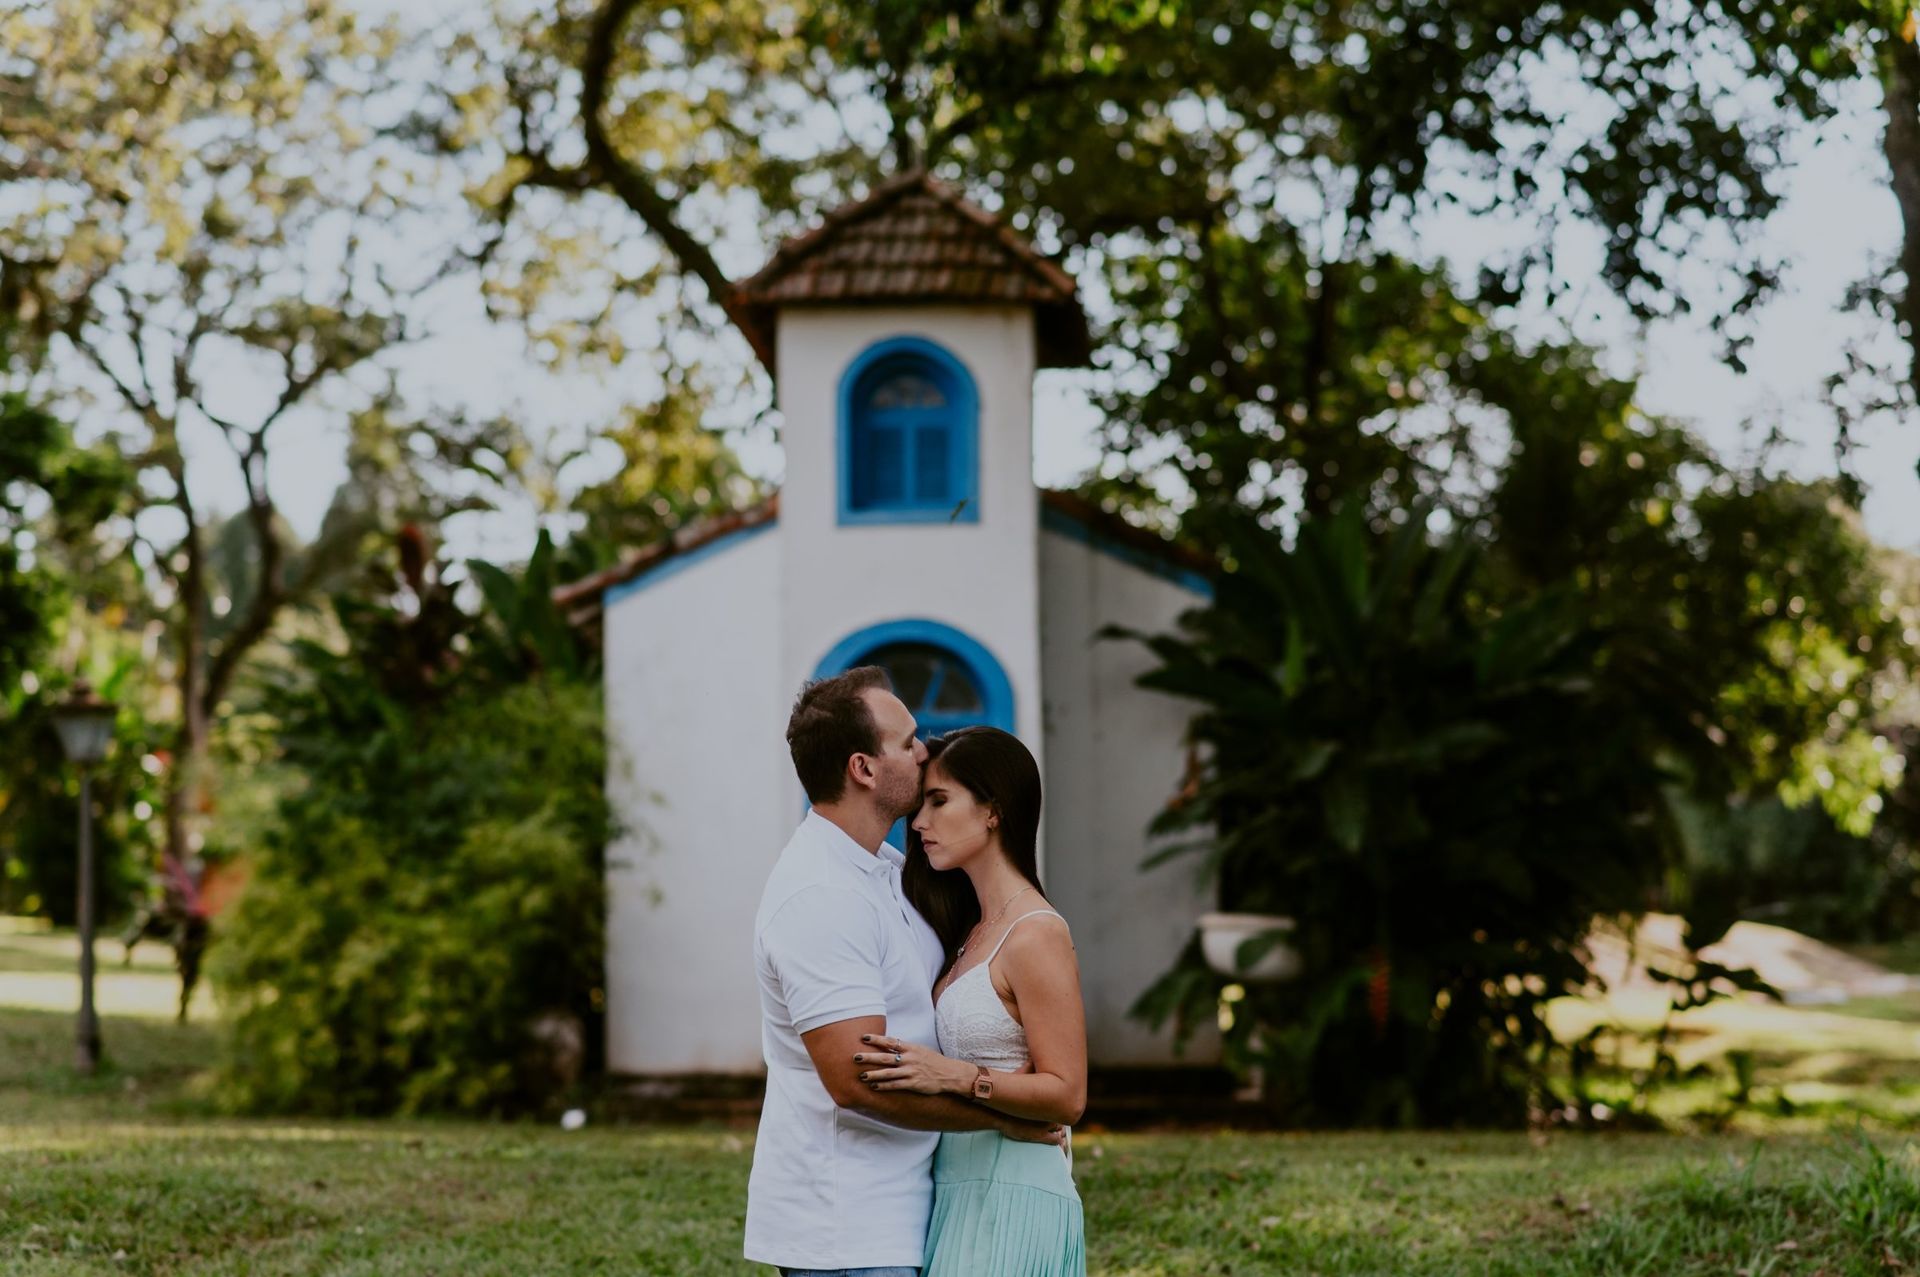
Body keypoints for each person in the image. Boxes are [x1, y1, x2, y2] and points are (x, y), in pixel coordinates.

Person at [747, 669, 1065, 1277]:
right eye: (909, 741)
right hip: (847, 1234)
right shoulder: (819, 894)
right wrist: (1005, 1117)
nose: (926, 753)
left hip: (917, 1214)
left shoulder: (886, 870)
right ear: (863, 768)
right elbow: (858, 1081)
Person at [857, 726, 1088, 1277]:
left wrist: (957, 1077)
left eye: (939, 802)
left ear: (993, 811)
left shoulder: (1036, 933)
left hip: (1016, 1187)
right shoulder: (972, 929)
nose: (918, 823)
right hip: (957, 1188)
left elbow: (1068, 1094)